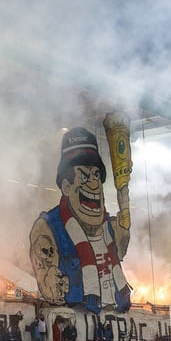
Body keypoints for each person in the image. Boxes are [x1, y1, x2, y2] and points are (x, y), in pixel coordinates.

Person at [29, 126, 132, 314]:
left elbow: (121, 249)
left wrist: (125, 210)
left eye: (96, 175)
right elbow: (48, 280)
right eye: (84, 176)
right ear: (67, 187)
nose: (93, 184)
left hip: (116, 315)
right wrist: (51, 280)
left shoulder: (111, 227)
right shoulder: (50, 228)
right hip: (77, 318)